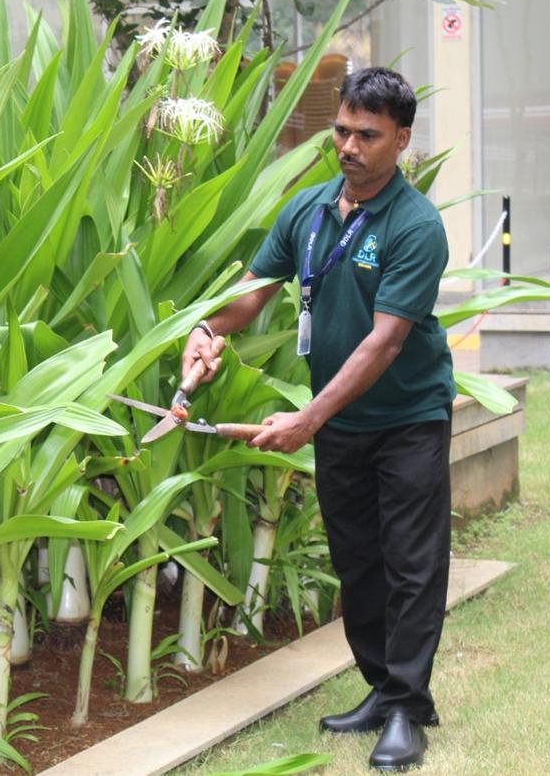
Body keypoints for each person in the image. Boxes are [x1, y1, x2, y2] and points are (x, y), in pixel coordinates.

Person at [182, 67, 454, 772]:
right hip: (341, 425)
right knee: (358, 558)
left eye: (368, 134)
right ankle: (380, 686)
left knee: (411, 563)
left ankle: (406, 708)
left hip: (406, 416)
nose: (349, 146)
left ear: (401, 139)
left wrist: (306, 416)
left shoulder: (415, 226)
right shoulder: (307, 210)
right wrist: (208, 330)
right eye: (341, 130)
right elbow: (252, 295)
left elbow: (385, 341)